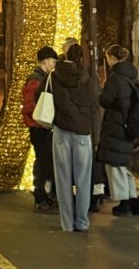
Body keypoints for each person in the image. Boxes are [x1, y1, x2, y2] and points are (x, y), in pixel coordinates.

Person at [49, 43, 99, 233]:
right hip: (83, 133)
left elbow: (40, 97)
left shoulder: (54, 77)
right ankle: (82, 221)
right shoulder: (87, 79)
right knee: (83, 180)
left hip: (61, 131)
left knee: (62, 179)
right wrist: (96, 138)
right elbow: (95, 108)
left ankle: (67, 223)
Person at [97, 44, 139, 217]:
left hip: (116, 126)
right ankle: (134, 200)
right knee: (123, 165)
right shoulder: (131, 75)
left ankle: (124, 202)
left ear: (112, 57)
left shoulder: (115, 78)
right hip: (128, 125)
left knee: (114, 165)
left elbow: (105, 100)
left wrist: (102, 90)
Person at [21, 45, 58, 214]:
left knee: (46, 162)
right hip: (39, 127)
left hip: (42, 126)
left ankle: (44, 194)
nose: (54, 63)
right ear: (44, 61)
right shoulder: (37, 80)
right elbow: (29, 105)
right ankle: (40, 196)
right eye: (52, 60)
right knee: (42, 163)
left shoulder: (43, 77)